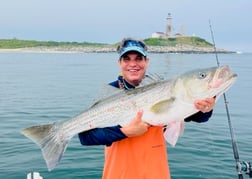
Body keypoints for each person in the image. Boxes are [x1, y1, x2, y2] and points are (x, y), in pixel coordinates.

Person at [78, 38, 216, 179]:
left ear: (146, 62)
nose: (133, 64)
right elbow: (86, 137)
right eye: (127, 59)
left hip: (157, 174)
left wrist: (206, 108)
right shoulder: (111, 92)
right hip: (118, 174)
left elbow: (198, 117)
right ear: (119, 63)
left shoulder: (165, 89)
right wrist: (125, 132)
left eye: (138, 59)